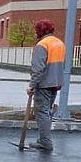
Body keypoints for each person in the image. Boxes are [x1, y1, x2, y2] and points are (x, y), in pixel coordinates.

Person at [27, 18, 66, 151]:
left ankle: (45, 142)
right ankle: (43, 139)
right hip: (55, 83)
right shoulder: (59, 43)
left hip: (44, 84)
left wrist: (32, 85)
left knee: (42, 113)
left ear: (40, 30)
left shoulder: (42, 45)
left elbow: (38, 68)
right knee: (47, 112)